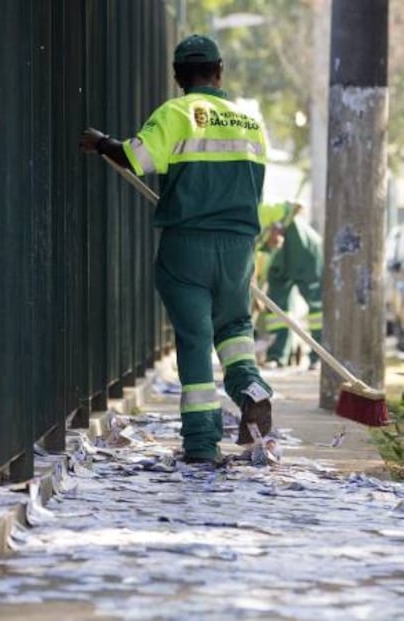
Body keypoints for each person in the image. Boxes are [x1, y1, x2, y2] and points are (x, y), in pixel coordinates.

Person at [79, 33, 273, 465]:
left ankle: (202, 445)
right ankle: (251, 390)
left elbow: (136, 157)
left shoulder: (176, 113)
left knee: (194, 339)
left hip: (188, 244)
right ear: (219, 70)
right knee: (235, 329)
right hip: (240, 246)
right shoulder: (249, 123)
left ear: (177, 77)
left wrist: (102, 143)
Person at [255, 201, 323, 370]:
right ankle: (277, 356)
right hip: (279, 259)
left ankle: (319, 357)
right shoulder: (244, 234)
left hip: (304, 252)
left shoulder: (265, 212)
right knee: (277, 309)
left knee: (316, 307)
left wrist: (279, 226)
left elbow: (297, 206)